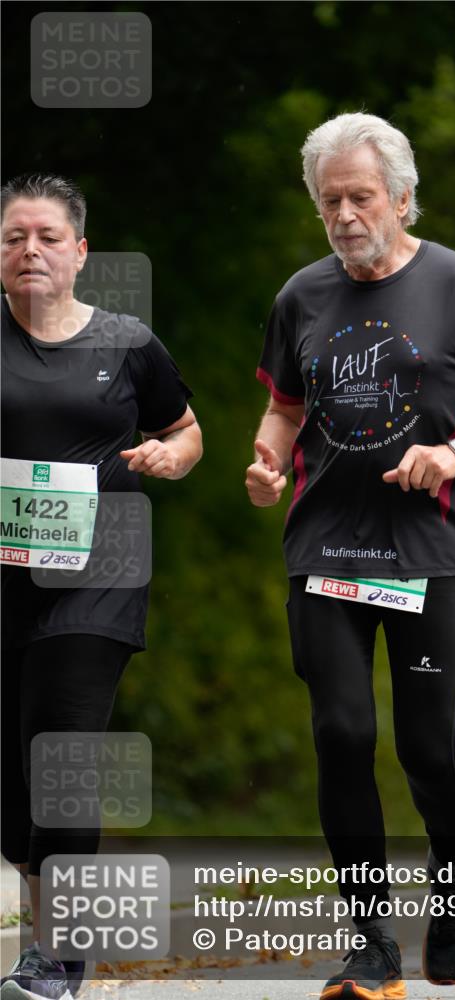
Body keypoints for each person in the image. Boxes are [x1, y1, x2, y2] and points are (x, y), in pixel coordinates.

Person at [246, 113, 455, 999]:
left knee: (427, 749)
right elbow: (283, 409)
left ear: (402, 198)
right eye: (328, 200)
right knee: (341, 733)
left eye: (360, 197)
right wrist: (266, 462)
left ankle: (451, 878)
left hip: (428, 548)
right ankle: (370, 947)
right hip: (325, 545)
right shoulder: (300, 296)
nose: (343, 215)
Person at [0, 174, 203, 1000]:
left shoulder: (125, 341)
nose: (30, 250)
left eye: (47, 236)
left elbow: (186, 431)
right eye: (14, 237)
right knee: (15, 795)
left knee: (63, 751)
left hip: (99, 575)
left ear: (80, 253)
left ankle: (55, 957)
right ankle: (38, 922)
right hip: (6, 577)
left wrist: (170, 457)